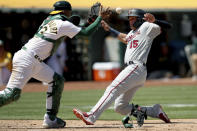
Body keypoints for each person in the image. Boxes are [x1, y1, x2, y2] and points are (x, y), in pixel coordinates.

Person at [0, 0, 110, 128]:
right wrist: (99, 19)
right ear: (65, 11)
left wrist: (88, 23)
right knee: (11, 94)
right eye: (69, 12)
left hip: (32, 59)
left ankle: (50, 118)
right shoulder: (62, 23)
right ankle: (50, 118)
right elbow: (85, 34)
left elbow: (70, 30)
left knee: (57, 81)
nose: (70, 14)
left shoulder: (49, 20)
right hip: (27, 59)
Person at [73, 8, 172, 127]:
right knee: (120, 107)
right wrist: (108, 28)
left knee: (112, 89)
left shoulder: (147, 26)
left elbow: (168, 27)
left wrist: (155, 20)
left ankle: (91, 116)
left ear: (140, 19)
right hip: (136, 71)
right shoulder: (132, 33)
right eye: (129, 19)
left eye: (133, 18)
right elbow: (124, 38)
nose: (130, 21)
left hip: (136, 67)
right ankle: (154, 111)